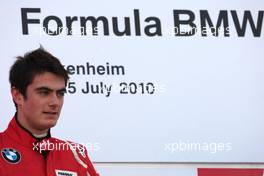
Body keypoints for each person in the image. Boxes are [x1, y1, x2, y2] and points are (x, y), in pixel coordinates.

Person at [0, 47, 99, 176]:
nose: (55, 102)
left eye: (60, 93)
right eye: (44, 93)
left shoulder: (76, 154)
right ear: (18, 95)